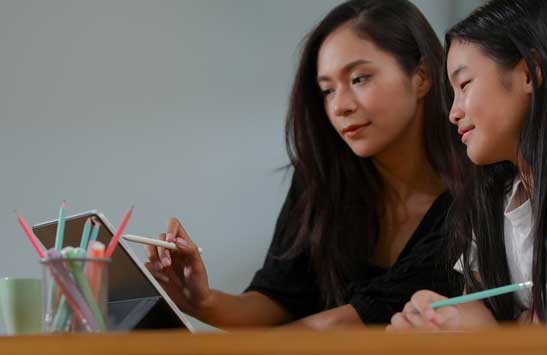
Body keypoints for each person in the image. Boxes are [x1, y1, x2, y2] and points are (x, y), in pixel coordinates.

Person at [146, 0, 461, 329]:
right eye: (327, 90)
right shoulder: (323, 178)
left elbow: (353, 322)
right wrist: (202, 301)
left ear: (421, 76)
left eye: (359, 79)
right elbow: (279, 296)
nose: (339, 106)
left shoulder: (478, 195)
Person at [388, 0, 547, 331]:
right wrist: (440, 318)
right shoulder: (493, 197)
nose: (453, 112)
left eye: (464, 85)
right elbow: (479, 310)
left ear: (530, 72)